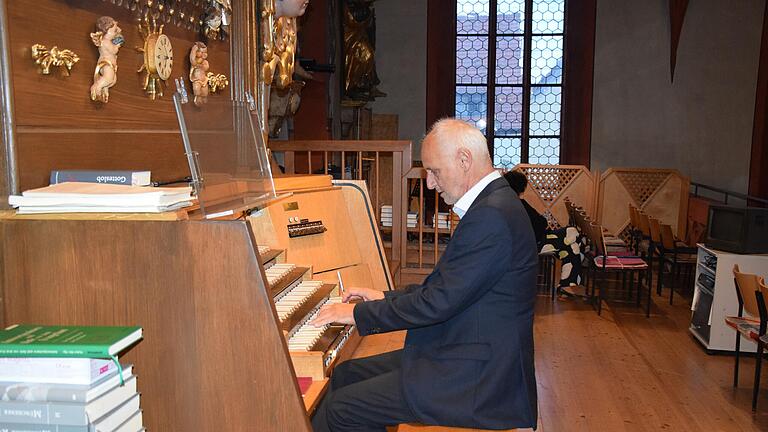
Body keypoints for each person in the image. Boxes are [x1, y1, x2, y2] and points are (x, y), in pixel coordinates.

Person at [309, 118, 539, 431]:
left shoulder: (491, 216)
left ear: (463, 160)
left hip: (476, 375)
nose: (430, 183)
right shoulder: (493, 205)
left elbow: (437, 303)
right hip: (465, 349)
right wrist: (384, 296)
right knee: (345, 376)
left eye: (434, 171)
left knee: (342, 409)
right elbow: (446, 289)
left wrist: (359, 313)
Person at [504, 170, 585, 297]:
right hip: (535, 243)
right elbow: (541, 223)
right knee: (573, 235)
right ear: (521, 187)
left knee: (572, 245)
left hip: (529, 242)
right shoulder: (518, 203)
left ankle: (568, 285)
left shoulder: (509, 202)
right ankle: (569, 285)